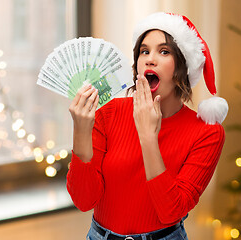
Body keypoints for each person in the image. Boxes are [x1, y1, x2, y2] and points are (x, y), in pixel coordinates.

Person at [67, 12, 228, 240]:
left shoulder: (207, 132)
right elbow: (84, 201)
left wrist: (148, 137)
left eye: (164, 51)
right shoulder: (109, 114)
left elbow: (171, 210)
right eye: (144, 51)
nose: (150, 59)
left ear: (183, 66)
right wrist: (81, 131)